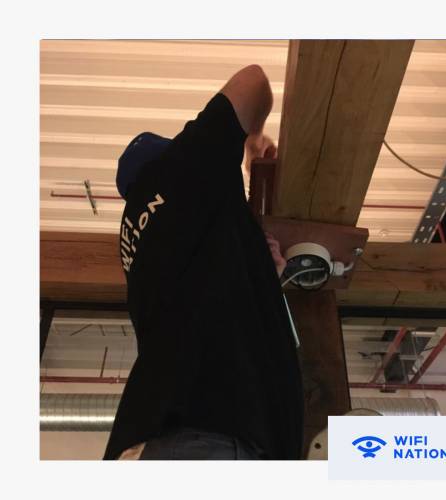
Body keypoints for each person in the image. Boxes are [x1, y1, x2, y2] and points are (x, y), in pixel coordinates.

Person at [103, 64, 304, 460]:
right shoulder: (183, 167)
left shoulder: (137, 253)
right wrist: (251, 141)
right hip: (203, 443)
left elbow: (204, 300)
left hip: (182, 442)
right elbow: (253, 82)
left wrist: (260, 272)